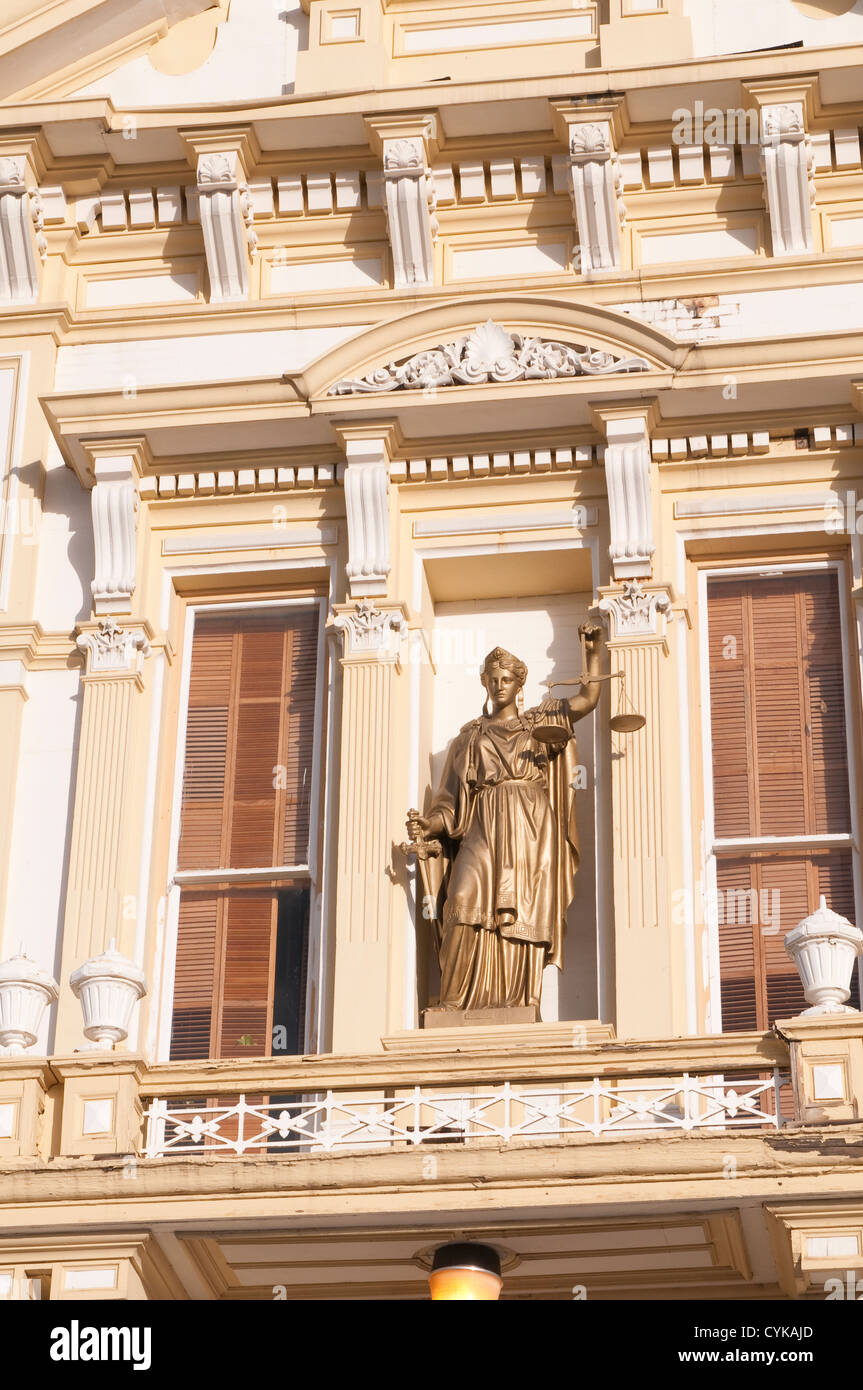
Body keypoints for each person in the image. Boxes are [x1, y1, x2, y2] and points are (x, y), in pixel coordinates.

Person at [407, 626, 603, 1013]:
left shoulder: (540, 723)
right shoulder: (469, 737)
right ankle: (453, 1000)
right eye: (493, 679)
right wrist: (428, 826)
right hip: (483, 823)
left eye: (507, 679)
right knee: (461, 898)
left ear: (519, 684)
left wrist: (592, 654)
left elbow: (588, 698)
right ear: (484, 682)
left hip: (531, 825)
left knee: (524, 908)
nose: (499, 685)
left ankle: (523, 1000)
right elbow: (449, 801)